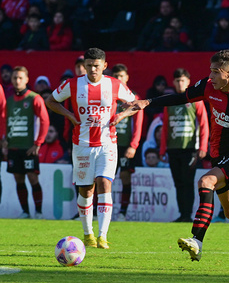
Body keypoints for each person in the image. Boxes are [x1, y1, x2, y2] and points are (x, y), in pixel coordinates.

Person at [124, 50, 229, 262]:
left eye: (216, 72)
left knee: (206, 181)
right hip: (219, 154)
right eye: (211, 71)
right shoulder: (208, 87)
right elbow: (181, 97)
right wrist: (148, 102)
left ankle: (196, 241)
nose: (211, 76)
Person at [45, 48, 137, 249]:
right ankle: (88, 235)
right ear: (84, 66)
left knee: (105, 183)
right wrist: (69, 114)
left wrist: (121, 115)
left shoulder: (114, 84)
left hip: (107, 144)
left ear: (105, 65)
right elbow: (50, 101)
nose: (93, 69)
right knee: (86, 190)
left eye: (97, 66)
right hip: (82, 145)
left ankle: (103, 236)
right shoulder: (72, 84)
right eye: (89, 66)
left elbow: (135, 103)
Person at [159, 68, 209, 222]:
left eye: (183, 80)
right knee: (178, 182)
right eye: (177, 80)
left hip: (190, 149)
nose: (180, 83)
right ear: (173, 82)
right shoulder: (170, 101)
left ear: (188, 81)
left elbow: (204, 124)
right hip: (173, 148)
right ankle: (183, 215)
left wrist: (203, 147)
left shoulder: (196, 100)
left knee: (187, 182)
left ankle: (188, 215)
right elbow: (165, 126)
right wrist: (162, 149)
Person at [3, 66, 49, 219]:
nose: (17, 81)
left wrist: (38, 143)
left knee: (32, 177)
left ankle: (39, 212)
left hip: (29, 147)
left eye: (20, 78)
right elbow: (4, 121)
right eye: (15, 78)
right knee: (18, 178)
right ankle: (25, 212)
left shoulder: (34, 98)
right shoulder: (9, 101)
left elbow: (44, 120)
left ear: (27, 80)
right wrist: (4, 140)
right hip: (13, 146)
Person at [111, 63, 144, 222]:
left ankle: (123, 213)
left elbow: (138, 124)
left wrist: (133, 145)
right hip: (109, 143)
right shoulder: (109, 95)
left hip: (125, 146)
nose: (119, 79)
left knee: (125, 176)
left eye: (121, 76)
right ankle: (98, 211)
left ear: (127, 77)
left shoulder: (134, 98)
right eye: (116, 76)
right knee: (103, 178)